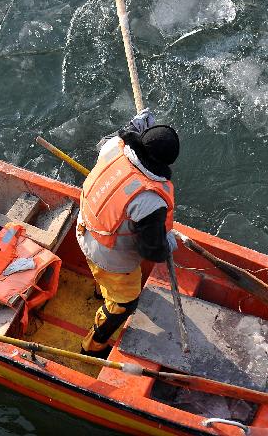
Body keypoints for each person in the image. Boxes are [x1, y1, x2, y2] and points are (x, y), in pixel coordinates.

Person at [76, 110, 180, 357]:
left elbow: (118, 138)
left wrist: (135, 126)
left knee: (106, 279)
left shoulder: (114, 147)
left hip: (83, 227)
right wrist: (167, 243)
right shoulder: (149, 201)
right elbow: (151, 251)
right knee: (125, 303)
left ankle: (101, 290)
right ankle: (93, 346)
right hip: (109, 257)